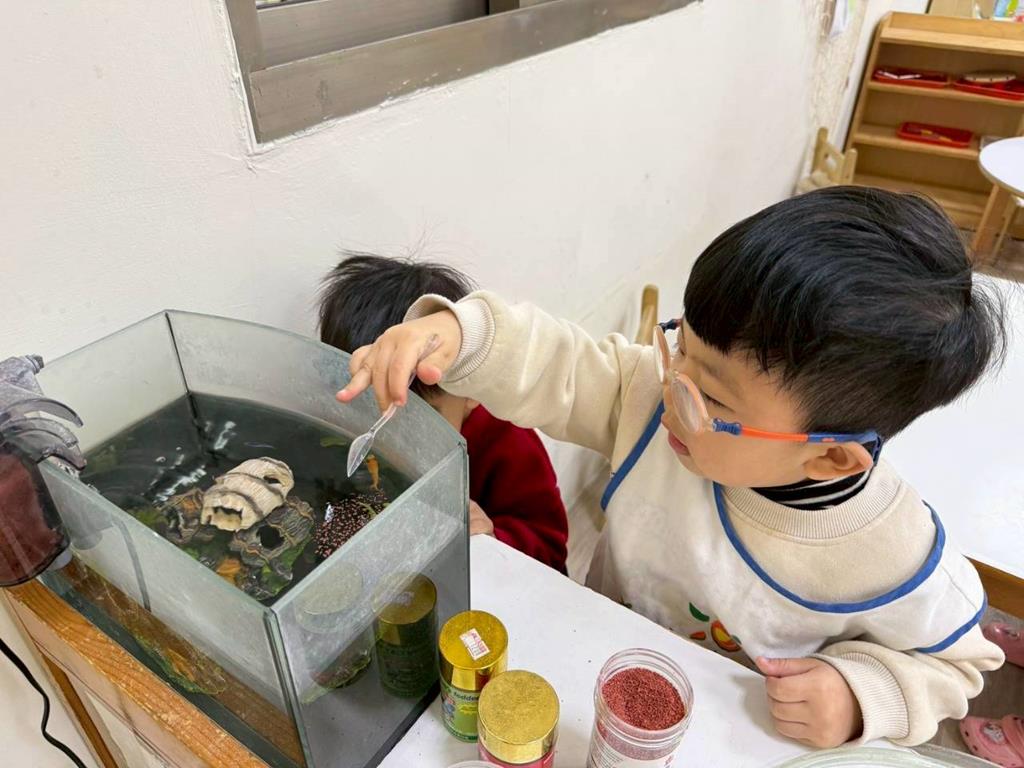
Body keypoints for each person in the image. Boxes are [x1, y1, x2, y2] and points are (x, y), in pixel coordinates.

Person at [337, 187, 1007, 748]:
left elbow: (961, 664)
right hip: (593, 670)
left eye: (710, 394)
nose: (669, 385)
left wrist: (862, 694)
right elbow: (560, 362)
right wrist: (463, 337)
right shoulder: (655, 401)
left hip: (732, 733)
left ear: (830, 455)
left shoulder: (894, 552)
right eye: (679, 346)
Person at [318, 253, 569, 573]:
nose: (394, 439)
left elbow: (550, 548)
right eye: (371, 411)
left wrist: (493, 537)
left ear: (472, 390)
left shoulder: (507, 439)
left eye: (421, 418)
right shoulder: (343, 425)